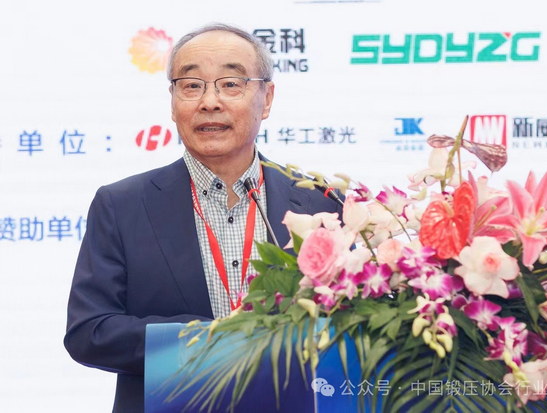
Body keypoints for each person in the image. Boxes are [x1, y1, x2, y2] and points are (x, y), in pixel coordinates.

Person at [64, 23, 342, 412]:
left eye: (231, 84)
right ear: (173, 101)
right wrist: (207, 341)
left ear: (266, 99)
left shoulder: (320, 202)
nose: (210, 102)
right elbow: (89, 332)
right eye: (191, 85)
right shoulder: (122, 204)